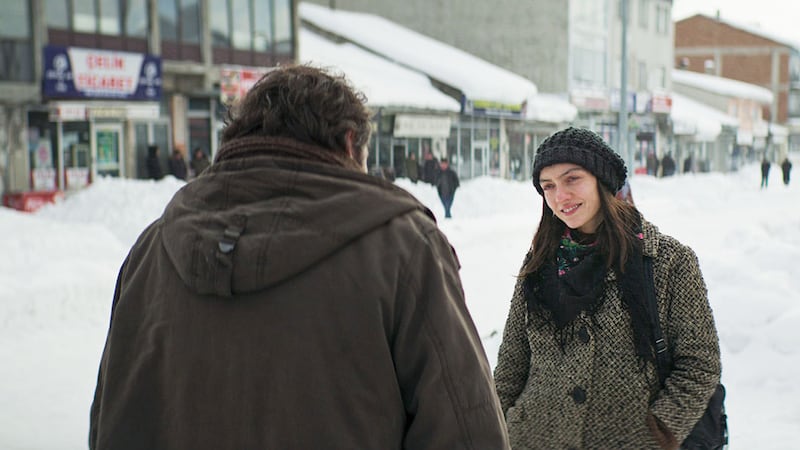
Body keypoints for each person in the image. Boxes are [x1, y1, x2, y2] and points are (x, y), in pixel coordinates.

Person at [89, 64, 509, 450]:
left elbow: (110, 421)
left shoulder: (149, 252)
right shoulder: (402, 248)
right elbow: (469, 434)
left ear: (237, 138)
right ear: (350, 144)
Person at [493, 127, 720, 449]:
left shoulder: (668, 262)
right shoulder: (539, 263)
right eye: (548, 186)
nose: (560, 196)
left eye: (572, 179)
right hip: (534, 439)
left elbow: (700, 364)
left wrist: (660, 431)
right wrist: (500, 426)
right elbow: (511, 366)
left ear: (602, 181)